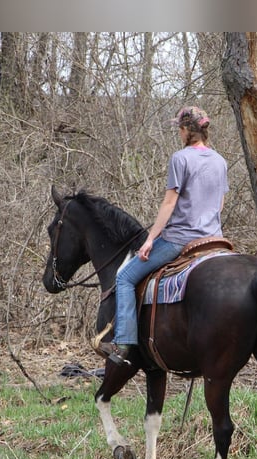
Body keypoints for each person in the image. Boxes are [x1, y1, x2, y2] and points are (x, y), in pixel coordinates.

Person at [98, 105, 229, 365]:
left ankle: (123, 343)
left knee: (124, 277)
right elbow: (220, 204)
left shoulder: (180, 159)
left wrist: (149, 240)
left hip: (181, 240)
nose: (179, 134)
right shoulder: (220, 160)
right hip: (214, 241)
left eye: (179, 129)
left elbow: (169, 204)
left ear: (186, 130)